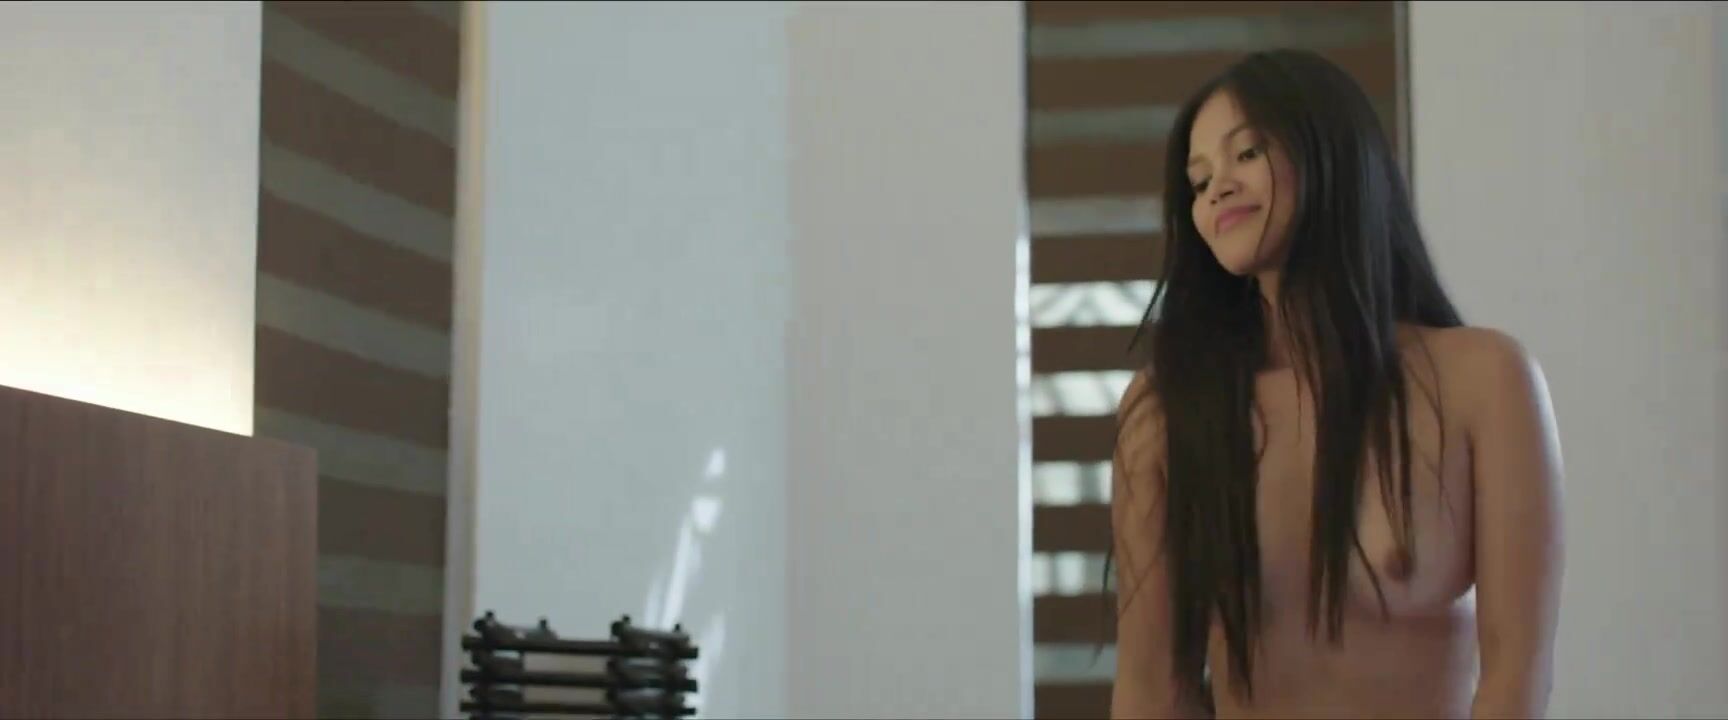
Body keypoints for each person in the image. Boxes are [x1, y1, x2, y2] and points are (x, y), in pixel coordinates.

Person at [1108, 49, 1565, 719]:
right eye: (1199, 181)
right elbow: (1151, 688)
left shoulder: (1485, 380)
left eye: (1247, 153)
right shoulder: (1167, 409)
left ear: (1332, 152)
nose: (1217, 190)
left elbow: (1517, 675)